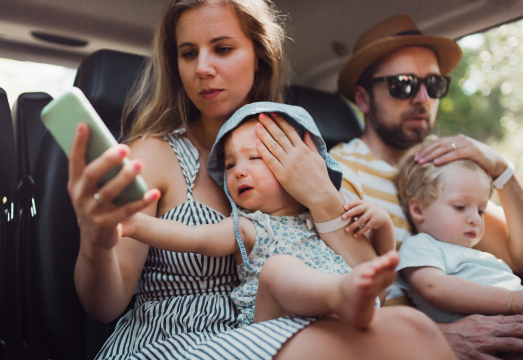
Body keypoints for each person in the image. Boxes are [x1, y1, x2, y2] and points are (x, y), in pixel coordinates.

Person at [68, 2, 456, 359]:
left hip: (277, 329)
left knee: (412, 326)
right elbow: (104, 306)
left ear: (260, 60)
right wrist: (96, 239)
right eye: (188, 53)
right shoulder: (153, 153)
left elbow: (370, 284)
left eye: (222, 49)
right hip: (173, 341)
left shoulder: (298, 148)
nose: (202, 67)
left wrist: (322, 198)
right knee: (409, 335)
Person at [330, 13, 523, 359]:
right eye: (403, 84)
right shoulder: (341, 171)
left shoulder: (442, 166)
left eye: (434, 84)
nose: (422, 97)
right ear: (362, 98)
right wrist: (442, 336)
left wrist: (503, 172)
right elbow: (344, 302)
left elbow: (518, 258)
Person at [117, 102, 399, 330]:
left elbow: (382, 273)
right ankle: (338, 295)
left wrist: (383, 224)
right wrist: (135, 223)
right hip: (274, 331)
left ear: (295, 161)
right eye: (229, 164)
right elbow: (193, 237)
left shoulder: (324, 220)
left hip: (334, 331)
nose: (239, 170)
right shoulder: (250, 228)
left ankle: (344, 298)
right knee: (277, 270)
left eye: (254, 158)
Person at [393, 142, 523, 324]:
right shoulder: (421, 245)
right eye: (460, 207)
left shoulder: (481, 254)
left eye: (481, 210)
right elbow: (433, 287)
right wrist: (511, 300)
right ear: (418, 209)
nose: (475, 219)